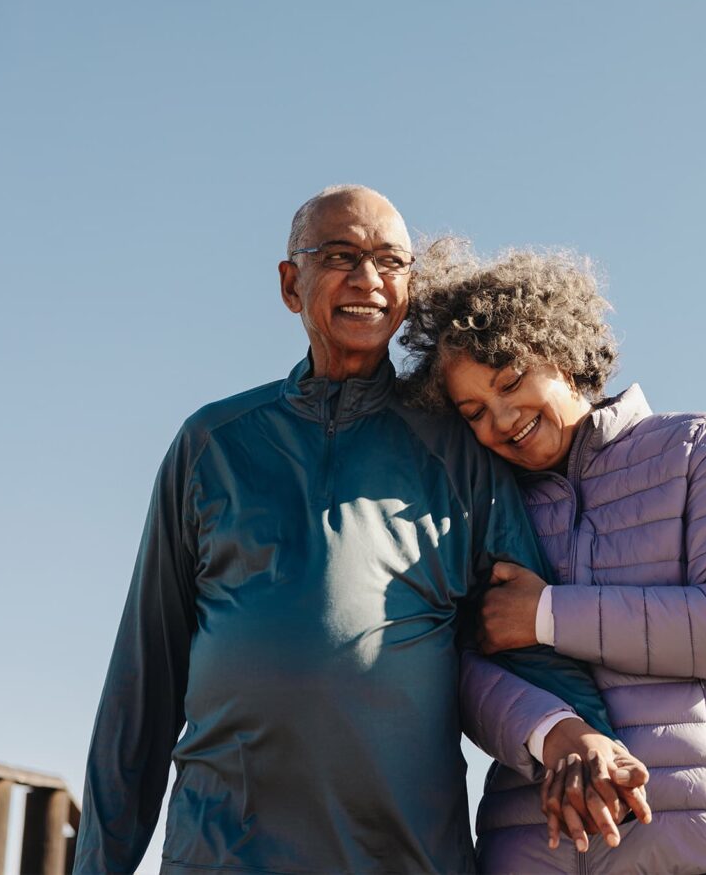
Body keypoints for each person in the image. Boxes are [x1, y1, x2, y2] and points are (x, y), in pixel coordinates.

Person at [74, 186, 648, 875]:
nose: (368, 280)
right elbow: (142, 687)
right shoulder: (212, 445)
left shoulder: (459, 451)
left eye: (389, 260)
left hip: (407, 858)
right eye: (341, 255)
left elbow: (529, 649)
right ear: (292, 284)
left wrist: (586, 738)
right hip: (219, 856)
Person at [401, 241, 706, 874]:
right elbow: (459, 669)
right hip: (535, 849)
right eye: (474, 412)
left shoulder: (694, 446)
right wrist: (556, 733)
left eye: (511, 382)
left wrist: (545, 616)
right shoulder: (478, 510)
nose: (502, 420)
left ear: (562, 353)